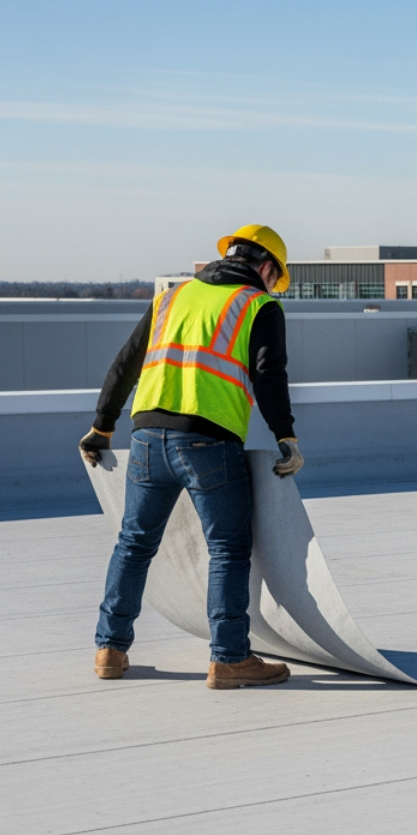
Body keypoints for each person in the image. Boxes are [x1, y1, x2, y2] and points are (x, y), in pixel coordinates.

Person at [81, 225, 304, 690]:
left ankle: (110, 649)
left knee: (134, 544)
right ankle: (229, 659)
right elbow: (269, 376)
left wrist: (103, 426)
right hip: (207, 441)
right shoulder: (259, 305)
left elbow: (126, 362)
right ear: (266, 268)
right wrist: (287, 437)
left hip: (146, 436)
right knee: (227, 548)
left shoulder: (172, 297)